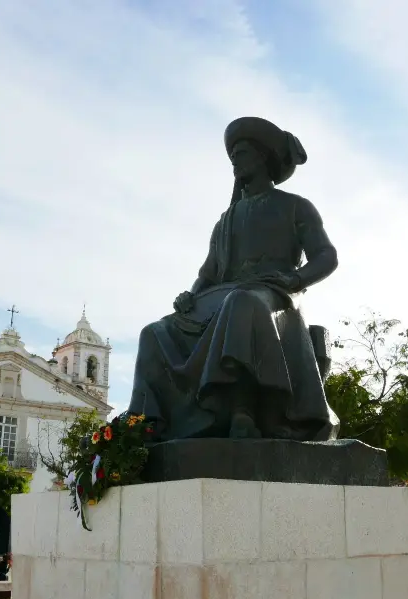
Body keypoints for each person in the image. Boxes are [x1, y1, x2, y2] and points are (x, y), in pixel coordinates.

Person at [127, 116, 340, 441]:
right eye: (232, 157)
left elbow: (327, 256)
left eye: (240, 154)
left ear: (262, 158)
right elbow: (208, 274)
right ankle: (147, 424)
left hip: (274, 295)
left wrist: (295, 279)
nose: (234, 163)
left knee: (241, 303)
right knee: (154, 332)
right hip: (221, 297)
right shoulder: (225, 221)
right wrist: (190, 295)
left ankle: (244, 412)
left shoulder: (295, 207)